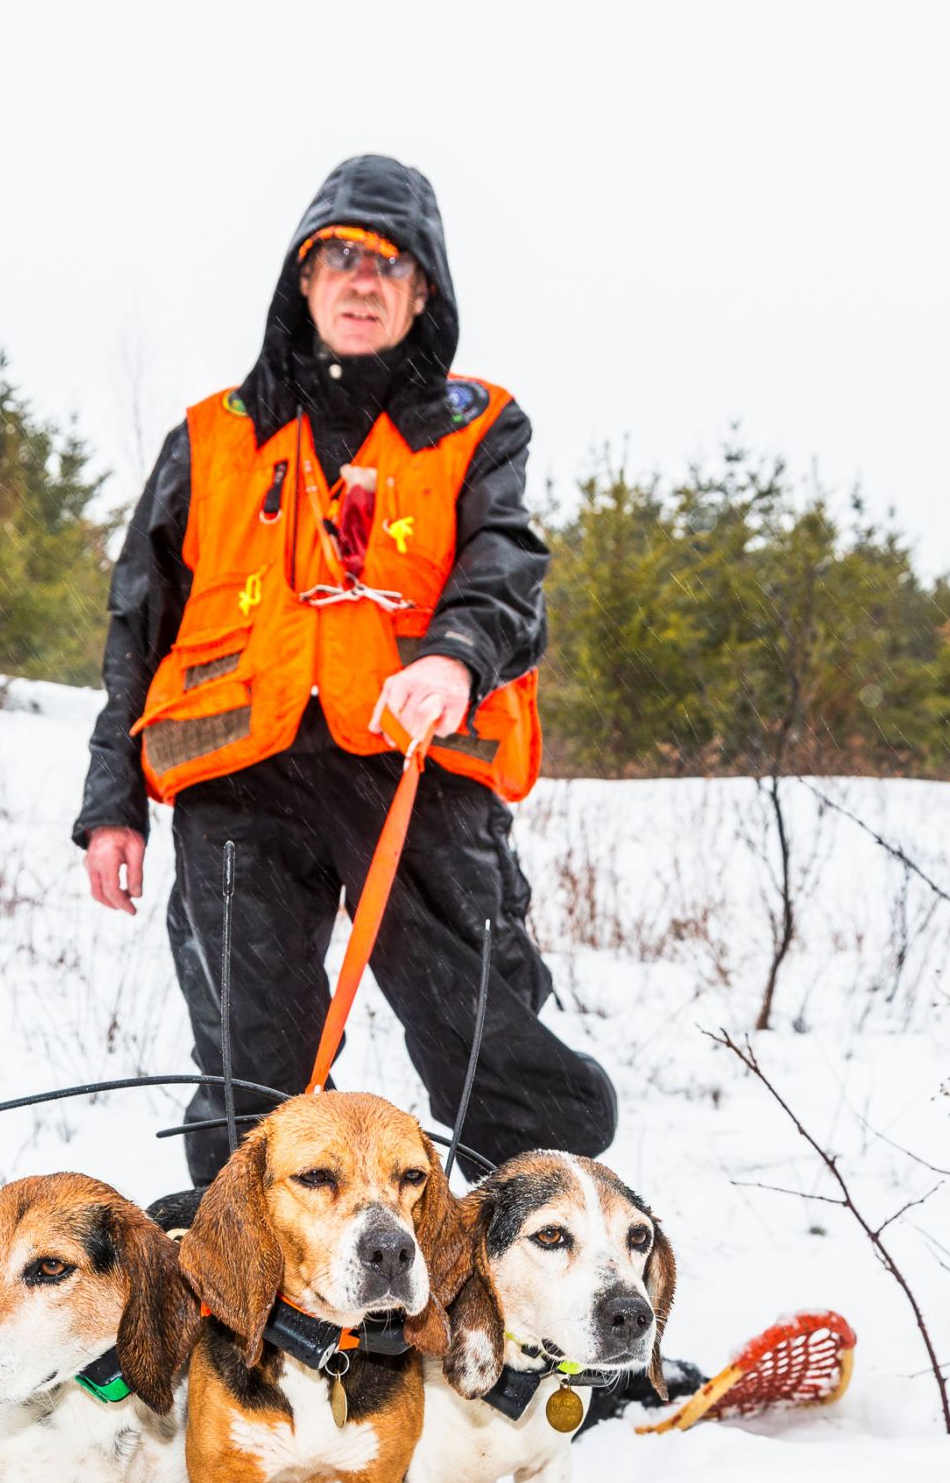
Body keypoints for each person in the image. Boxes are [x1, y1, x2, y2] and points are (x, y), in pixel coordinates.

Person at [73, 154, 616, 1192]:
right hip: (238, 783)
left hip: (412, 767)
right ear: (302, 282)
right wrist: (113, 804)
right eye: (338, 260)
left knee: (482, 1032)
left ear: (423, 293)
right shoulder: (212, 435)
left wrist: (456, 657)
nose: (361, 283)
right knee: (249, 1064)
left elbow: (506, 563)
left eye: (389, 264)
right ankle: (247, 1301)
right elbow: (138, 623)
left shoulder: (475, 426)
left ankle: (543, 1266)